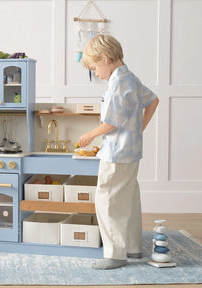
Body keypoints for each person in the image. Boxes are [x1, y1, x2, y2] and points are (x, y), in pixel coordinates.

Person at [78, 34, 159, 270]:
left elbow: (112, 122)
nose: (96, 73)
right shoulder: (131, 79)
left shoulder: (116, 84)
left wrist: (90, 135)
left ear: (104, 58)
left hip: (115, 153)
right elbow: (153, 100)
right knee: (129, 199)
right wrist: (139, 128)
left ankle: (115, 253)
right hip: (132, 152)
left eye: (94, 68)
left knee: (107, 200)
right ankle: (133, 247)